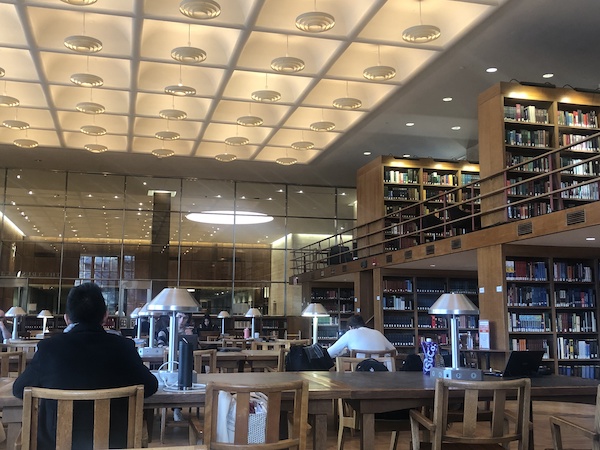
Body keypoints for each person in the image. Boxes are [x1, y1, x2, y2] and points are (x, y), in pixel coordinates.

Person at [12, 283, 158, 450]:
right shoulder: (124, 347)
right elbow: (151, 386)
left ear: (67, 318)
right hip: (115, 444)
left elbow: (19, 389)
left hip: (55, 444)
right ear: (105, 317)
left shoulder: (49, 348)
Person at [327, 314, 396, 358]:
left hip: (359, 374)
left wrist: (343, 352)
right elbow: (395, 352)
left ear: (351, 327)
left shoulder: (350, 333)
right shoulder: (378, 333)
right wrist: (382, 357)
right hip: (381, 374)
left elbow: (329, 353)